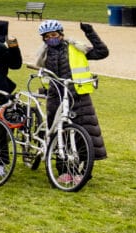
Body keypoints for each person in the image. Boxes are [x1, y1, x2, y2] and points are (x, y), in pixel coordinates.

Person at [34, 19, 108, 176]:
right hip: (56, 98)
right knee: (59, 134)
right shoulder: (44, 54)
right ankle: (64, 170)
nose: (50, 38)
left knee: (84, 133)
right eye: (46, 36)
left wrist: (90, 32)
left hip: (78, 97)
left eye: (53, 35)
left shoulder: (76, 48)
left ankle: (84, 168)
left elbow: (102, 52)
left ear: (61, 34)